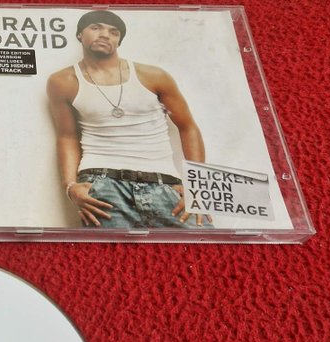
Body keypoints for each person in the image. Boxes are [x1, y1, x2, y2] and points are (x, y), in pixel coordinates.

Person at [47, 10, 210, 228]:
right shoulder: (63, 81)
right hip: (102, 184)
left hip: (165, 183)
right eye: (95, 27)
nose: (105, 35)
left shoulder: (153, 76)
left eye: (113, 32)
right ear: (79, 34)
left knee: (202, 245)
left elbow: (188, 127)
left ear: (119, 41)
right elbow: (67, 136)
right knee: (110, 251)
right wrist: (70, 186)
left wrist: (197, 187)